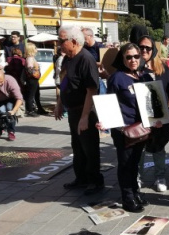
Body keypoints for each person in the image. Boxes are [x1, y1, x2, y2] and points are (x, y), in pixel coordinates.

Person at [100, 43, 156, 213]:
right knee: (126, 165)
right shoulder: (117, 78)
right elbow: (109, 102)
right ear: (122, 59)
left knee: (135, 164)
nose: (133, 60)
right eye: (129, 57)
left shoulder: (144, 76)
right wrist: (105, 122)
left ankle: (135, 192)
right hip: (123, 130)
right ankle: (127, 198)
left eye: (136, 56)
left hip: (142, 129)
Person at [55, 25, 104, 195]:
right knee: (77, 147)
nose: (58, 43)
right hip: (73, 111)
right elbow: (65, 83)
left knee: (89, 148)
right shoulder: (68, 58)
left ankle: (95, 181)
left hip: (85, 111)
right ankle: (81, 178)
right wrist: (60, 102)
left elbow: (91, 90)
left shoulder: (86, 59)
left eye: (61, 40)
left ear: (73, 41)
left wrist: (84, 117)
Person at [137, 35, 169, 193]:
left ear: (153, 50)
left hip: (159, 116)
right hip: (139, 115)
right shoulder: (135, 68)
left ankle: (160, 176)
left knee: (158, 147)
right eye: (141, 47)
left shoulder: (163, 68)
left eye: (148, 48)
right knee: (139, 148)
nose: (144, 50)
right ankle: (137, 177)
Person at [0, 69, 23, 141]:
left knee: (8, 109)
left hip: (8, 99)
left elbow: (19, 99)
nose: (0, 84)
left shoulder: (11, 81)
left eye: (1, 81)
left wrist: (13, 111)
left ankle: (11, 131)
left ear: (4, 77)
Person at [23, 42, 44, 117]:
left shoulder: (31, 57)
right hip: (32, 79)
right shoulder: (30, 58)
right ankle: (30, 110)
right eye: (35, 48)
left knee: (36, 94)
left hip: (34, 79)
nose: (36, 49)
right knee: (31, 95)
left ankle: (40, 109)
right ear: (31, 49)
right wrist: (36, 73)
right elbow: (29, 68)